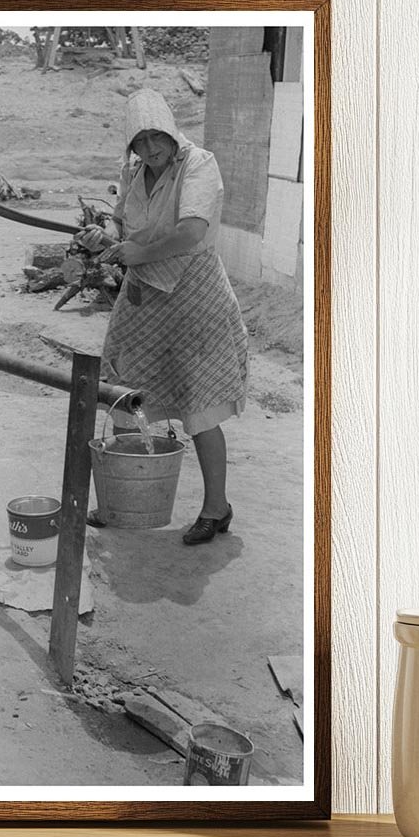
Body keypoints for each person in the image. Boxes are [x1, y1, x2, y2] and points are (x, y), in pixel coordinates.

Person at [77, 88, 248, 545]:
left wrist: (140, 252)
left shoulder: (199, 164)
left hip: (195, 296)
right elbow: (124, 227)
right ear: (130, 146)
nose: (151, 149)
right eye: (140, 141)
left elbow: (192, 231)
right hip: (143, 297)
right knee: (122, 393)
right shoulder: (133, 170)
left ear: (172, 132)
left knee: (199, 402)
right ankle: (124, 499)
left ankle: (217, 509)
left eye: (158, 137)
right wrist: (105, 237)